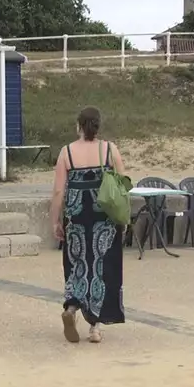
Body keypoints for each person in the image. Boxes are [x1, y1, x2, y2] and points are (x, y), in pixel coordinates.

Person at [51, 105, 126, 343]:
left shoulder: (67, 152)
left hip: (76, 216)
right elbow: (122, 185)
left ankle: (72, 309)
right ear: (97, 125)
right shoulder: (109, 149)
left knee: (77, 264)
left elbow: (58, 191)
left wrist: (55, 221)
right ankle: (95, 327)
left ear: (78, 125)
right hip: (103, 216)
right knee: (102, 266)